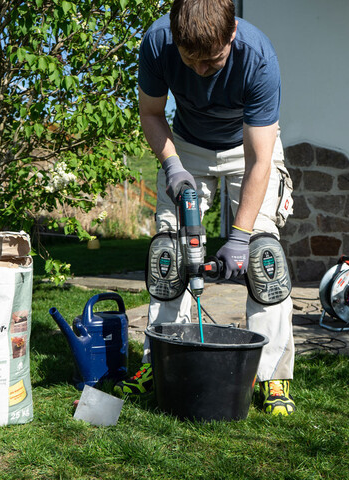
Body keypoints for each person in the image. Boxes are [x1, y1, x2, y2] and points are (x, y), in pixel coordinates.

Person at [114, 0, 296, 416]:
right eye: (189, 60)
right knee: (168, 254)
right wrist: (173, 166)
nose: (199, 72)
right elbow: (151, 112)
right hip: (188, 146)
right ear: (175, 41)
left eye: (211, 61)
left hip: (246, 147)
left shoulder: (258, 57)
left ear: (231, 35)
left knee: (264, 255)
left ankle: (270, 378)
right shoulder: (158, 42)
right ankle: (157, 365)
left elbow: (260, 161)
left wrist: (239, 236)